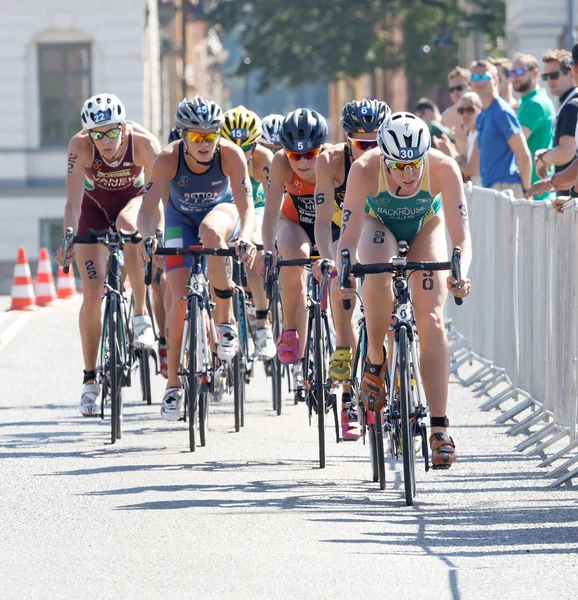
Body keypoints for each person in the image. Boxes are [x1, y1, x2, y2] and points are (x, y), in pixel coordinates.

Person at [335, 112, 471, 467]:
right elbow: (347, 239)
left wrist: (460, 272)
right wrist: (344, 272)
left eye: (415, 163)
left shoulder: (442, 167)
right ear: (384, 158)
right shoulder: (365, 169)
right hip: (377, 224)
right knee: (378, 275)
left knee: (432, 319)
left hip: (425, 225)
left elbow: (460, 238)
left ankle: (439, 429)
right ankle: (376, 357)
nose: (410, 173)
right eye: (399, 165)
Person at [136, 96, 256, 421]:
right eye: (195, 136)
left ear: (219, 135)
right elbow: (147, 211)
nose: (204, 142)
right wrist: (148, 237)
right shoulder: (167, 159)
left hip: (220, 213)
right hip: (179, 221)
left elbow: (246, 206)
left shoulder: (230, 155)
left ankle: (225, 323)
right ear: (182, 135)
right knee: (178, 300)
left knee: (212, 232)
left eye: (210, 135)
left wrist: (245, 236)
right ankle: (173, 384)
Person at [56, 93, 160, 416]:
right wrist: (70, 237)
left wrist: (153, 235)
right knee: (91, 291)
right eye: (96, 134)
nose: (104, 140)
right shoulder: (79, 147)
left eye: (111, 132)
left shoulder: (143, 143)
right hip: (93, 209)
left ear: (124, 127)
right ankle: (90, 379)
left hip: (133, 205)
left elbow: (158, 198)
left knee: (128, 225)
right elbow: (73, 203)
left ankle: (140, 313)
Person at [313, 98, 390, 439]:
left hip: (381, 227)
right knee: (338, 276)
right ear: (347, 140)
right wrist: (328, 258)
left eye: (376, 142)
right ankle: (345, 372)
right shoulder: (330, 161)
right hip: (339, 228)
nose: (370, 149)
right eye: (362, 144)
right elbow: (320, 220)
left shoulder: (396, 160)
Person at [260, 108, 329, 364]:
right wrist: (268, 252)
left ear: (322, 148)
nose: (303, 162)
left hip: (330, 225)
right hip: (294, 222)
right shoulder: (279, 163)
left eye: (310, 154)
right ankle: (290, 328)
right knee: (295, 257)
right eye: (295, 155)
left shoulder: (334, 159)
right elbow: (269, 215)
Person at [222, 105, 275, 358]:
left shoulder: (264, 159)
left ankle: (263, 324)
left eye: (247, 148)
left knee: (255, 246)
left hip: (258, 208)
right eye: (232, 146)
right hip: (228, 209)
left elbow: (275, 201)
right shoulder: (216, 156)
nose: (240, 154)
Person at [470, 59, 532, 197]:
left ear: (496, 81)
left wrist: (526, 190)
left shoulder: (502, 112)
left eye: (485, 77)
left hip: (507, 187)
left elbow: (523, 153)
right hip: (490, 188)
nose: (480, 81)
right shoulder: (482, 115)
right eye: (475, 77)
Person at [509, 53, 556, 200]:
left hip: (537, 193)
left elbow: (514, 144)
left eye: (520, 71)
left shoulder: (536, 103)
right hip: (533, 191)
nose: (515, 77)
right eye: (512, 72)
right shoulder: (526, 102)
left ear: (535, 73)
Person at [533, 49, 578, 197]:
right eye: (546, 77)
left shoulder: (573, 105)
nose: (550, 81)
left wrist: (543, 158)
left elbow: (566, 153)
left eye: (554, 75)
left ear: (571, 70)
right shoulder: (568, 104)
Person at [435, 92, 482, 186]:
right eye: (461, 110)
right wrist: (450, 150)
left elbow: (470, 170)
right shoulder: (472, 134)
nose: (465, 115)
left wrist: (451, 156)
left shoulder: (480, 134)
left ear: (479, 110)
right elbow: (466, 163)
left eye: (470, 110)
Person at [441, 66, 470, 156]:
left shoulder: (479, 110)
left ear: (469, 86)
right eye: (451, 90)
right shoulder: (447, 115)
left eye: (459, 88)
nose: (455, 93)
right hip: (459, 165)